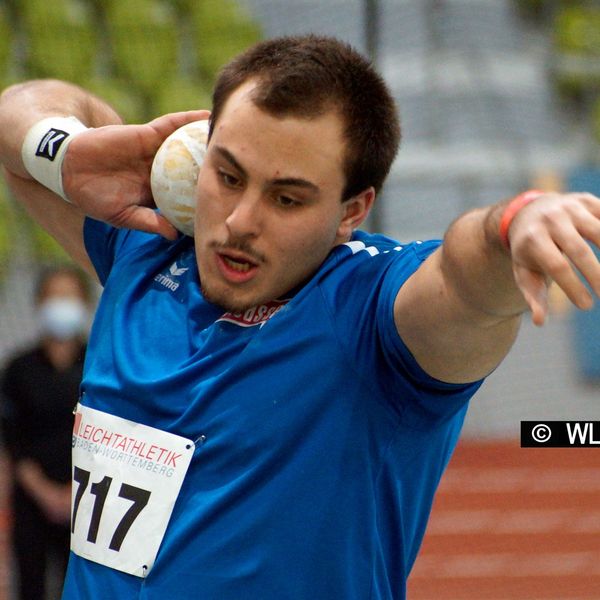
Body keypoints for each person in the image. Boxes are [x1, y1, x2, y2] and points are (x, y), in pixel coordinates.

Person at [0, 34, 598, 600]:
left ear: (352, 209)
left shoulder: (368, 314)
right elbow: (15, 117)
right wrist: (68, 151)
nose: (239, 221)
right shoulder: (147, 244)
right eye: (228, 176)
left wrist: (512, 223)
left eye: (286, 198)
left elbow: (462, 279)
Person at [0, 265, 92, 600]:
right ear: (39, 302)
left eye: (69, 297)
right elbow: (14, 440)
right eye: (54, 297)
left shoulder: (97, 367)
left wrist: (72, 494)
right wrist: (43, 492)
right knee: (31, 587)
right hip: (31, 501)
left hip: (86, 502)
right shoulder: (18, 369)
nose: (61, 304)